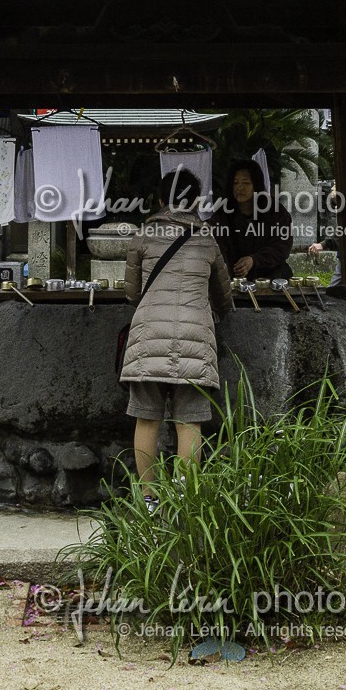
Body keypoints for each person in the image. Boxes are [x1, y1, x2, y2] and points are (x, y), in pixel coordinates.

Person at [121, 168, 233, 508]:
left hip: (148, 337)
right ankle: (186, 499)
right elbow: (224, 297)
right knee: (190, 421)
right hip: (194, 340)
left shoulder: (143, 235)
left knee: (146, 416)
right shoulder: (207, 239)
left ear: (159, 200)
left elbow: (131, 292)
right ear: (197, 201)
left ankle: (149, 496)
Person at [211, 159, 292, 281]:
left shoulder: (276, 212)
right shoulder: (222, 214)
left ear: (256, 185)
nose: (240, 187)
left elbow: (282, 247)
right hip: (233, 279)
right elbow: (217, 248)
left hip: (271, 278)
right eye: (235, 183)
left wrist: (254, 260)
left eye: (246, 183)